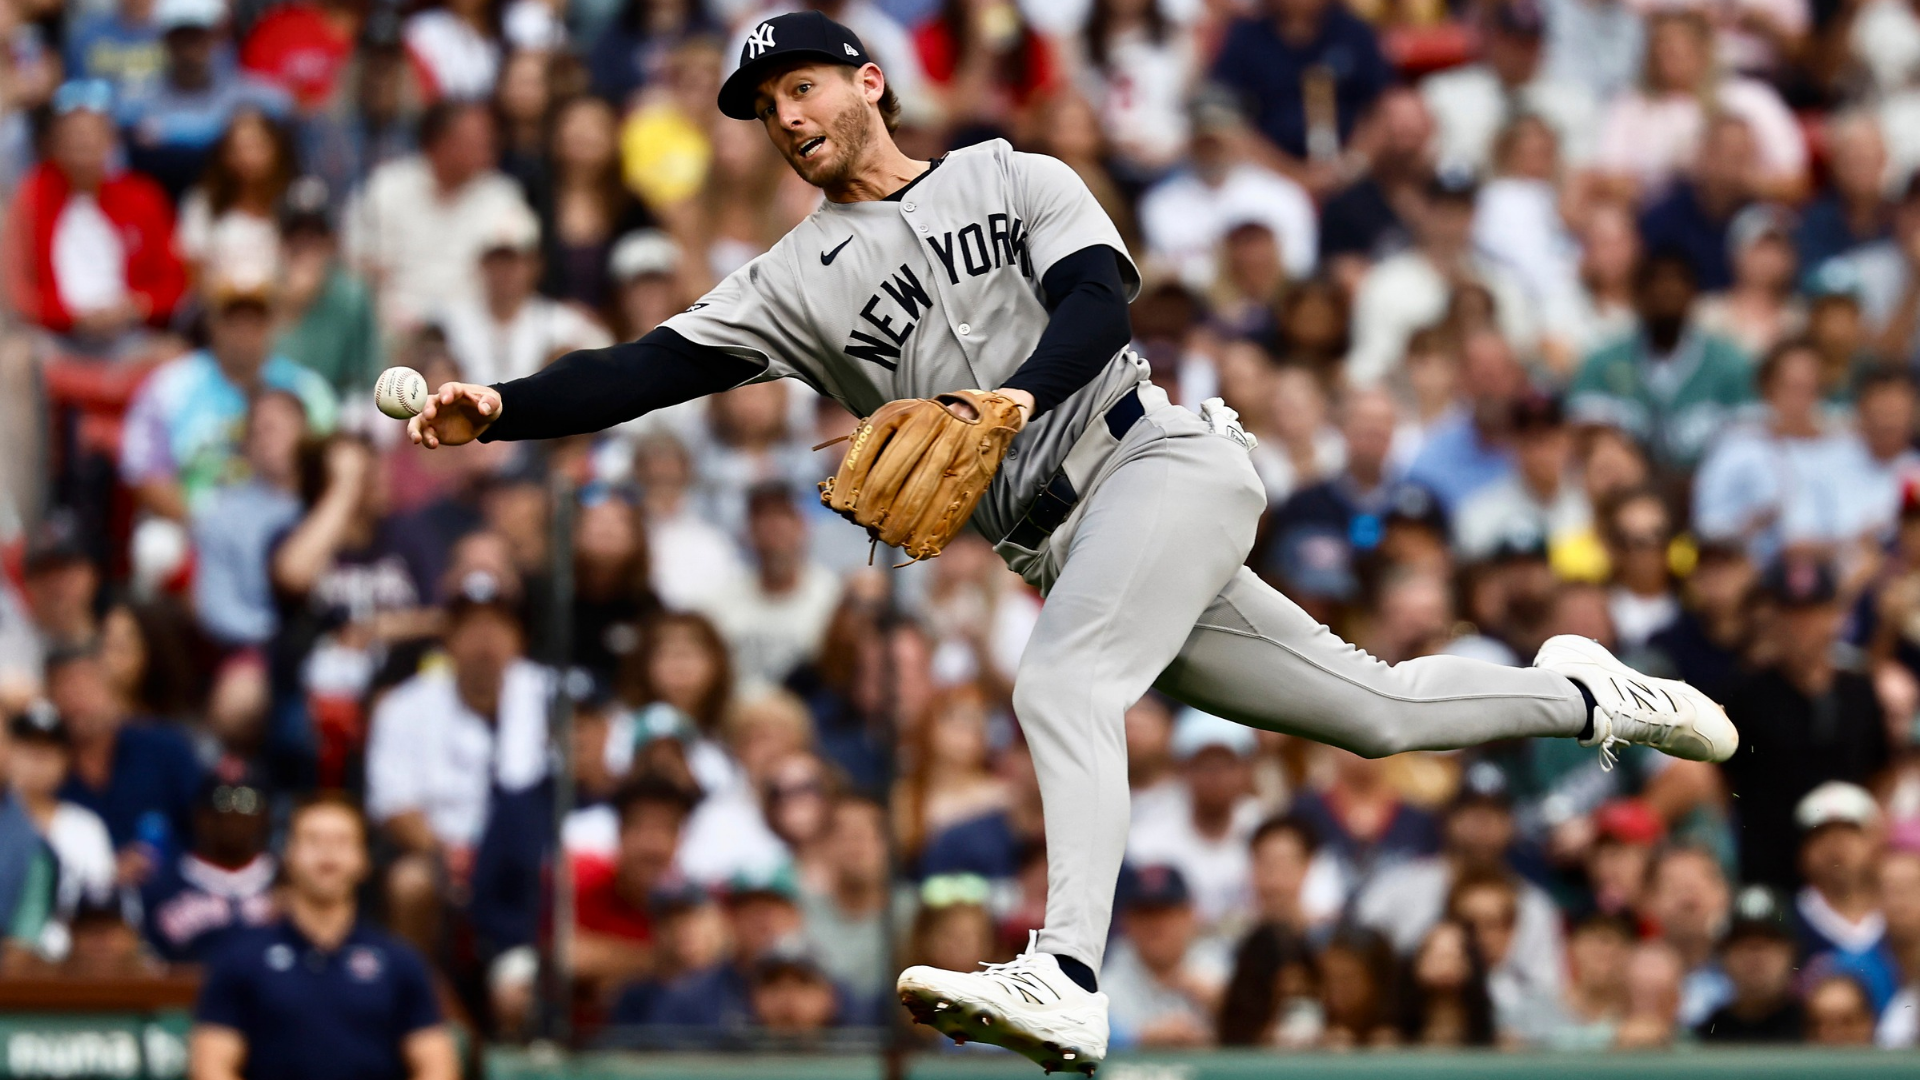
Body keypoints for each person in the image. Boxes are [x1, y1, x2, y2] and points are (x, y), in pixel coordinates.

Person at [400, 12, 1739, 1071]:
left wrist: (1014, 397)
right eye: (762, 110)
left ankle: (1071, 972)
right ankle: (1590, 694)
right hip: (1065, 542)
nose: (785, 118)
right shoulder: (792, 279)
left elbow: (1095, 301)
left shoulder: (1009, 170)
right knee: (1377, 714)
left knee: (1060, 683)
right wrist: (500, 407)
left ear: (868, 81)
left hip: (1156, 460)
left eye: (800, 87)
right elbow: (647, 366)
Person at [189, 797, 458, 1080]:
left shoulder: (399, 963)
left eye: (342, 841)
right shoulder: (241, 959)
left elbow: (436, 1067)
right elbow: (212, 1067)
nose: (327, 852)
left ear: (364, 859)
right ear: (287, 854)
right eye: (313, 840)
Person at [1721, 560, 1891, 892]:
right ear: (1773, 620)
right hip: (1771, 868)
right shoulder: (1747, 693)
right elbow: (1722, 779)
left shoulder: (1859, 689)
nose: (1801, 627)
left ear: (1833, 617)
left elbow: (1881, 769)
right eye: (1790, 614)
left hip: (1849, 868)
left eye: (1812, 613)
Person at [119, 275, 340, 522]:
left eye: (255, 320)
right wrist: (208, 529)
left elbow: (332, 471)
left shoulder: (308, 390)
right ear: (213, 323)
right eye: (234, 319)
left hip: (290, 522)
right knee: (157, 548)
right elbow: (143, 472)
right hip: (192, 522)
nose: (244, 331)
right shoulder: (169, 387)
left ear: (272, 324)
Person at [3, 79, 185, 354]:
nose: (83, 142)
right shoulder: (31, 197)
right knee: (14, 356)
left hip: (129, 334)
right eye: (73, 134)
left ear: (110, 142)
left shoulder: (143, 197)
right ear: (53, 143)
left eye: (91, 133)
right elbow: (17, 291)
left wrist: (137, 306)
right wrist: (71, 317)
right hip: (54, 337)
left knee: (172, 354)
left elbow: (175, 283)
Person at [342, 99, 536, 331]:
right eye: (475, 141)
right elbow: (356, 260)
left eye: (489, 140)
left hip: (475, 330)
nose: (488, 148)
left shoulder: (502, 195)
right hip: (390, 327)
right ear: (439, 143)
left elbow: (521, 261)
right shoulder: (386, 187)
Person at [1567, 252, 1755, 474]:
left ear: (1694, 296)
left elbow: (1751, 440)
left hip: (1712, 495)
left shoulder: (1731, 364)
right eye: (1656, 286)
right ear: (1637, 296)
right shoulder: (1603, 362)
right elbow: (1587, 438)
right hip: (1628, 496)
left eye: (1676, 286)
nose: (1666, 293)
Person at [115, 0, 293, 201]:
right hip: (160, 200)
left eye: (198, 34)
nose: (189, 45)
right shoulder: (141, 97)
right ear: (165, 39)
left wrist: (168, 130)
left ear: (215, 37)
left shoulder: (241, 91)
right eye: (181, 35)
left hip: (225, 201)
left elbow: (284, 103)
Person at [439, 202, 613, 385]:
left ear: (535, 264)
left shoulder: (564, 324)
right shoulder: (449, 321)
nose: (505, 270)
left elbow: (605, 354)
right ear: (482, 263)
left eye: (514, 260)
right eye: (497, 259)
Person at [141, 768, 277, 962]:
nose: (232, 812)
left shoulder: (290, 880)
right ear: (199, 815)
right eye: (220, 802)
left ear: (265, 816)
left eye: (247, 802)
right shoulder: (158, 885)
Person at [1102, 865, 1228, 1048]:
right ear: (1127, 921)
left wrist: (1226, 1007)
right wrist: (1141, 1038)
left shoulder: (1218, 963)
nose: (1155, 926)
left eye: (1165, 913)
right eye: (1145, 914)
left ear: (1189, 915)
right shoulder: (1109, 979)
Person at [1697, 885, 1803, 1042]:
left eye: (1769, 939)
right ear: (1723, 954)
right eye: (1742, 940)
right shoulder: (1705, 1035)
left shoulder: (1814, 1027)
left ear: (1791, 953)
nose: (1755, 953)